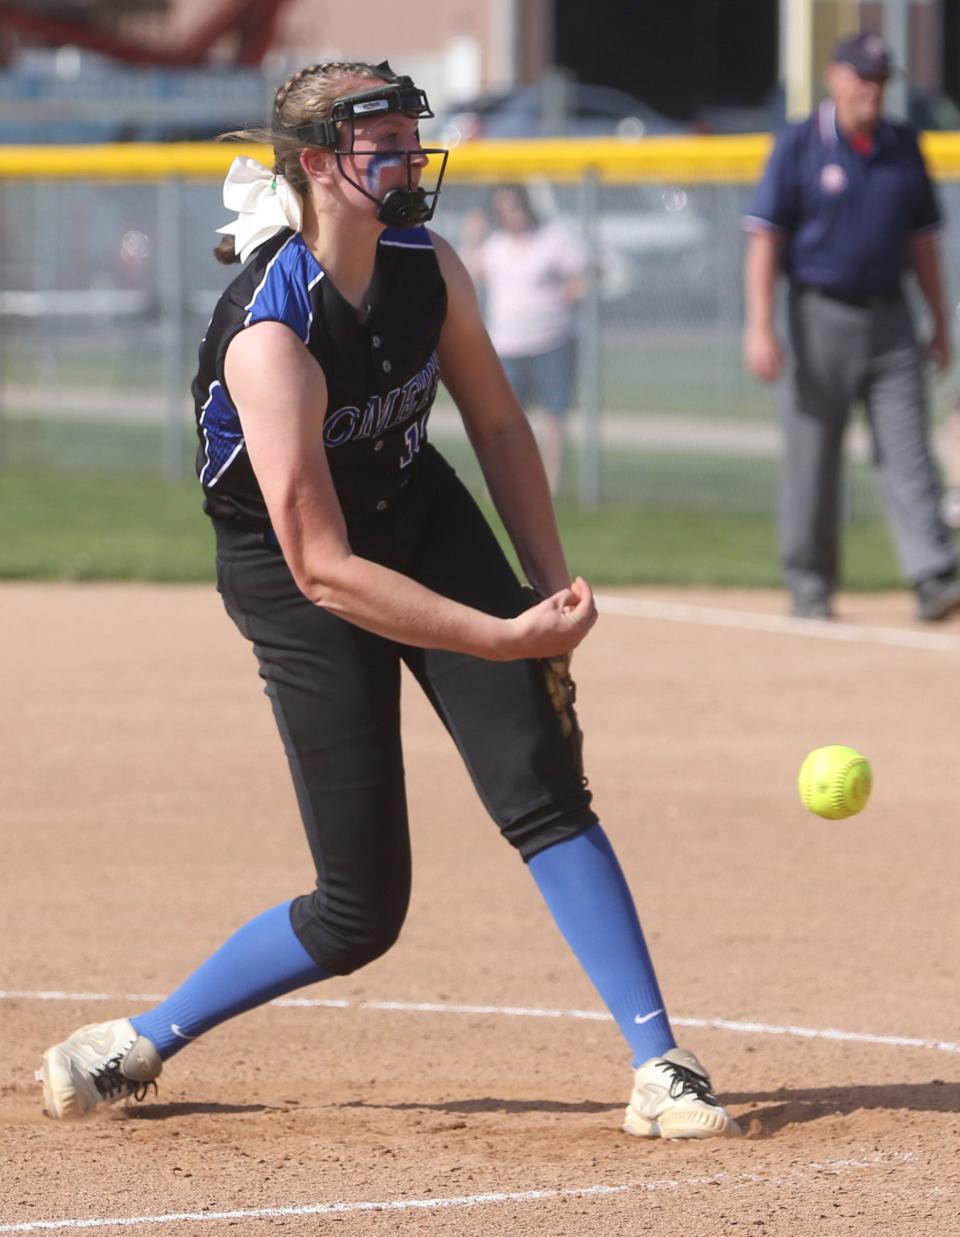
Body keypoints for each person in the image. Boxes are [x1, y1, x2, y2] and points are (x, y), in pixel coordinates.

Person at [38, 60, 738, 1142]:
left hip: (414, 504)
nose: (411, 159)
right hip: (293, 575)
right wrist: (500, 633)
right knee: (361, 908)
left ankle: (662, 1062)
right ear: (318, 164)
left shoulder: (426, 262)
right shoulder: (270, 336)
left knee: (542, 779)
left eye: (415, 136)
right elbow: (320, 565)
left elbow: (499, 426)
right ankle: (140, 1039)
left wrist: (546, 584)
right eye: (386, 145)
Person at [742, 31, 960, 622]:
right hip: (818, 315)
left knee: (910, 453)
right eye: (862, 76)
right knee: (812, 457)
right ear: (835, 77)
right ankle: (810, 586)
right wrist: (760, 325)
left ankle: (933, 575)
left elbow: (924, 245)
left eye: (881, 79)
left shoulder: (902, 147)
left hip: (892, 318)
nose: (871, 88)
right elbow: (765, 238)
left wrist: (940, 321)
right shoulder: (800, 144)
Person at [461, 183, 587, 494]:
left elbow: (585, 269)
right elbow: (464, 274)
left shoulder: (551, 238)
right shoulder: (495, 246)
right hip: (507, 345)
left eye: (514, 207)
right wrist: (472, 237)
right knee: (504, 420)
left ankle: (550, 488)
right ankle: (507, 487)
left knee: (553, 417)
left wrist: (578, 287)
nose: (509, 215)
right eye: (502, 209)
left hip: (552, 341)